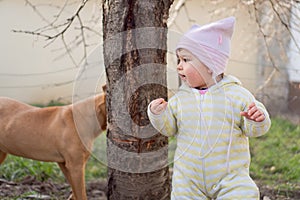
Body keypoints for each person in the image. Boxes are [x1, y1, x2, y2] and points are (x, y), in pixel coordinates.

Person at [147, 16, 271, 199]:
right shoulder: (181, 98)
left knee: (242, 195)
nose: (179, 66)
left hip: (229, 178)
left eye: (185, 60)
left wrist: (256, 119)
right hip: (188, 180)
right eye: (178, 60)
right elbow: (170, 128)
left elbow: (254, 129)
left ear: (210, 65)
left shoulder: (236, 95)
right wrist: (158, 114)